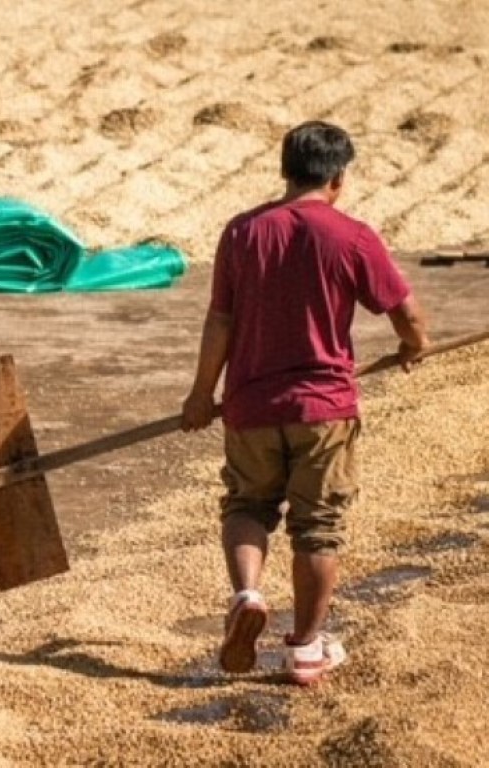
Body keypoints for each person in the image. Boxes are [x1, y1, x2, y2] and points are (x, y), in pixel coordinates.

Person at [180, 120, 430, 685]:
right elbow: (408, 316)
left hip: (250, 405)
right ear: (338, 178)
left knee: (247, 506)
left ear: (286, 172)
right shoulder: (352, 236)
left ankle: (247, 595)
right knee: (318, 527)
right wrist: (414, 346)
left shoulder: (242, 233)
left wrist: (200, 396)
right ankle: (305, 647)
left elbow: (220, 321)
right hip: (323, 409)